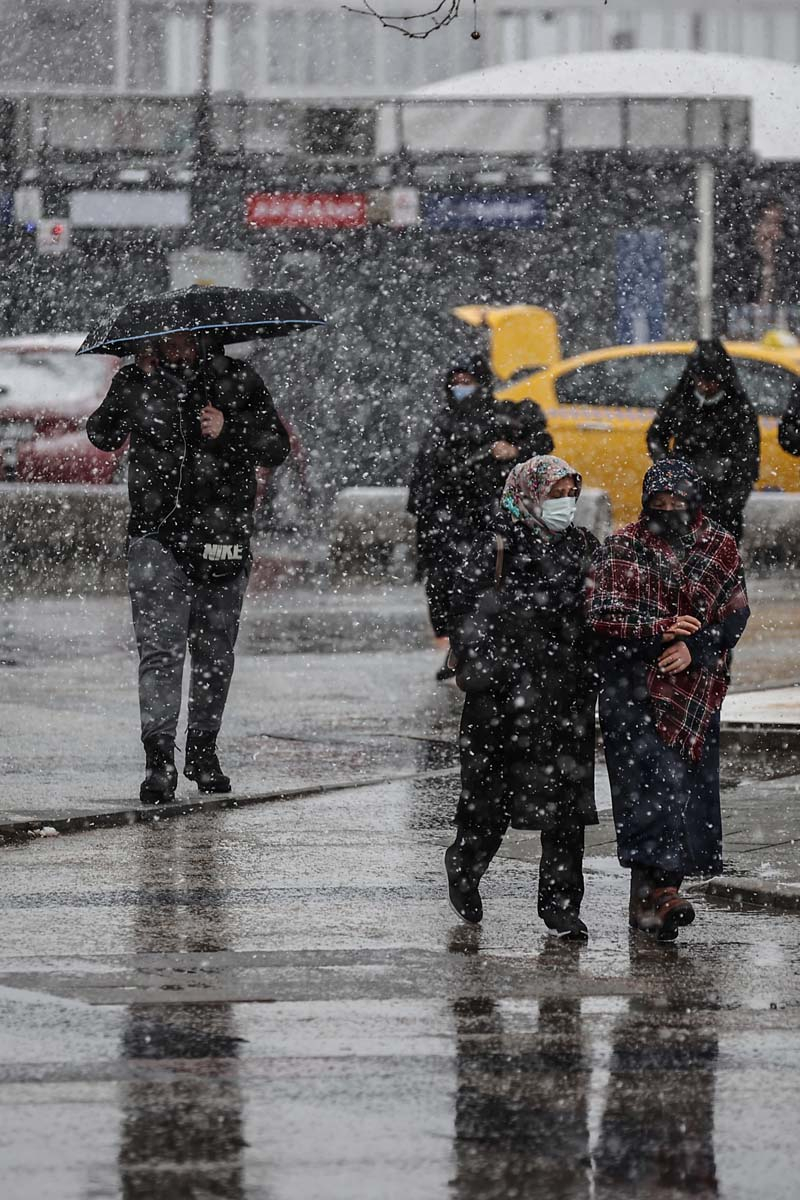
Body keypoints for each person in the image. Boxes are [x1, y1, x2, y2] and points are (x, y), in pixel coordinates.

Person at [87, 332, 290, 804]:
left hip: (223, 540)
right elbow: (102, 434)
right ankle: (159, 759)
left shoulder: (239, 380)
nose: (174, 349)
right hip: (157, 537)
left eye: (183, 340)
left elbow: (275, 447)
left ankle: (202, 751)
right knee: (160, 654)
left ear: (204, 339)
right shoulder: (137, 379)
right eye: (166, 341)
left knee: (215, 654)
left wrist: (229, 427)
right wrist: (132, 386)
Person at [587, 459, 750, 942]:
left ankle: (661, 897)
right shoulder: (621, 547)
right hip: (633, 692)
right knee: (646, 791)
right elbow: (602, 620)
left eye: (678, 503)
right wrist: (657, 636)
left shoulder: (718, 545)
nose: (669, 512)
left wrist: (693, 647)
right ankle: (653, 897)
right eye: (659, 504)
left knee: (685, 793)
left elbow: (734, 617)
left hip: (695, 693)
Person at [444, 454, 598, 939]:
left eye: (571, 493)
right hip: (502, 697)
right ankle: (465, 869)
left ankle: (560, 906)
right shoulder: (495, 545)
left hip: (565, 696)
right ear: (530, 494)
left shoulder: (584, 547)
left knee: (566, 810)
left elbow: (598, 610)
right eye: (555, 494)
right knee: (489, 800)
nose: (566, 503)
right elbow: (464, 609)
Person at [408, 354, 553, 679]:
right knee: (444, 589)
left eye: (467, 382)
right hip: (445, 522)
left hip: (485, 518)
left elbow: (542, 443)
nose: (460, 389)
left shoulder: (504, 416)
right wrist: (422, 511)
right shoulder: (442, 422)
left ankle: (478, 650)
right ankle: (459, 648)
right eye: (455, 382)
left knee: (485, 587)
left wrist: (515, 451)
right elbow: (426, 470)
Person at [646, 339, 760, 544]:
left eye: (712, 381)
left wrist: (731, 500)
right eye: (701, 379)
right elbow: (656, 435)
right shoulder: (681, 399)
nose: (706, 386)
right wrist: (669, 468)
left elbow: (748, 459)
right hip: (681, 499)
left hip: (724, 500)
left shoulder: (738, 408)